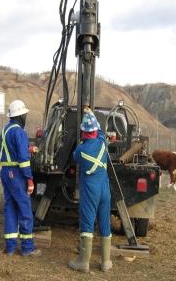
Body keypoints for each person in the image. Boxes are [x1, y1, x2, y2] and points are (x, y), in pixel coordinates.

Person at [69, 108, 112, 273]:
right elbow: (101, 131)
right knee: (104, 221)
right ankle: (106, 262)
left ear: (83, 132)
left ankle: (83, 262)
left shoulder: (80, 150)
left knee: (87, 221)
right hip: (104, 190)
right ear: (95, 130)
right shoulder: (102, 141)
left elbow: (74, 157)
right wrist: (92, 115)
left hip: (91, 190)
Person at [0, 99, 41, 257]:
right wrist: (29, 179)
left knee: (10, 208)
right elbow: (23, 161)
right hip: (16, 174)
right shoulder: (20, 132)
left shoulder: (5, 130)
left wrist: (28, 148)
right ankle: (27, 248)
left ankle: (10, 247)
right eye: (24, 115)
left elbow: (10, 151)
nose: (25, 117)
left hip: (5, 173)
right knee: (25, 209)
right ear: (20, 116)